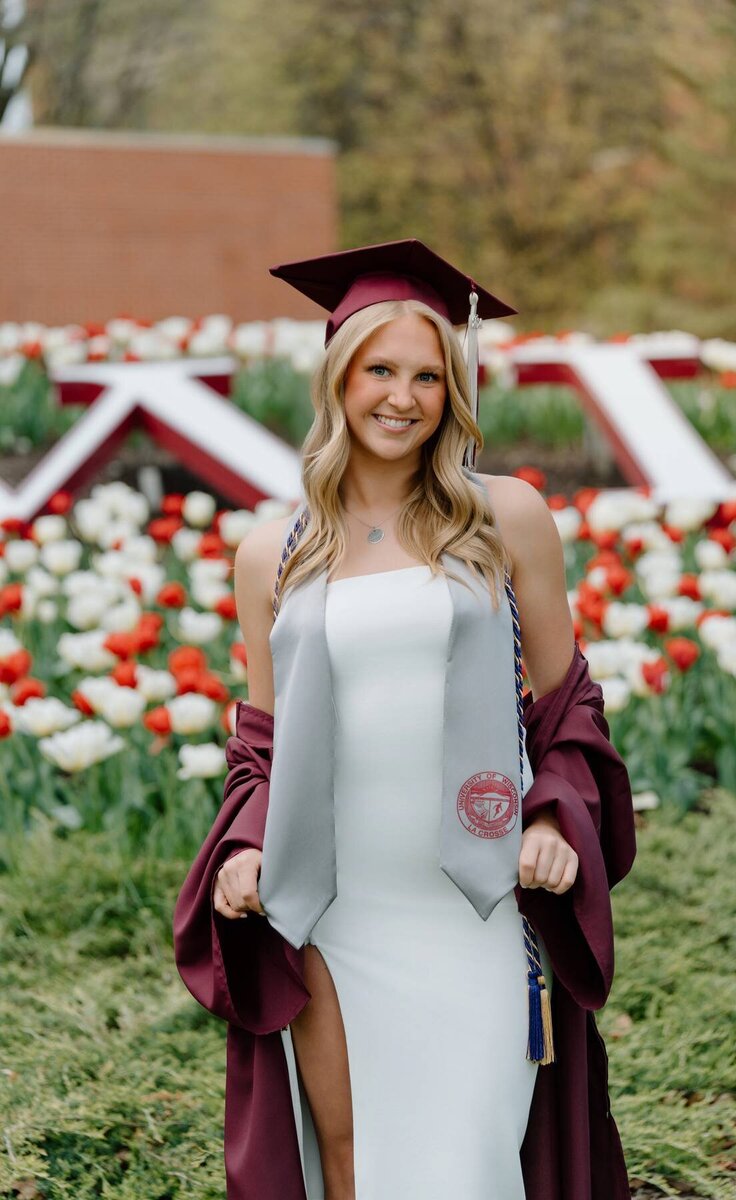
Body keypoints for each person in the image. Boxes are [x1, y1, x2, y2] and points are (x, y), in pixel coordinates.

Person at [173, 239, 637, 1200]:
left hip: (473, 897)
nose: (403, 395)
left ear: (453, 391)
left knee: (465, 1162)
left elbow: (566, 706)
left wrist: (552, 815)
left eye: (429, 375)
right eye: (380, 370)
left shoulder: (505, 517)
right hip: (333, 902)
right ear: (339, 378)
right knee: (350, 1166)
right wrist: (246, 848)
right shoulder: (275, 553)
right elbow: (261, 742)